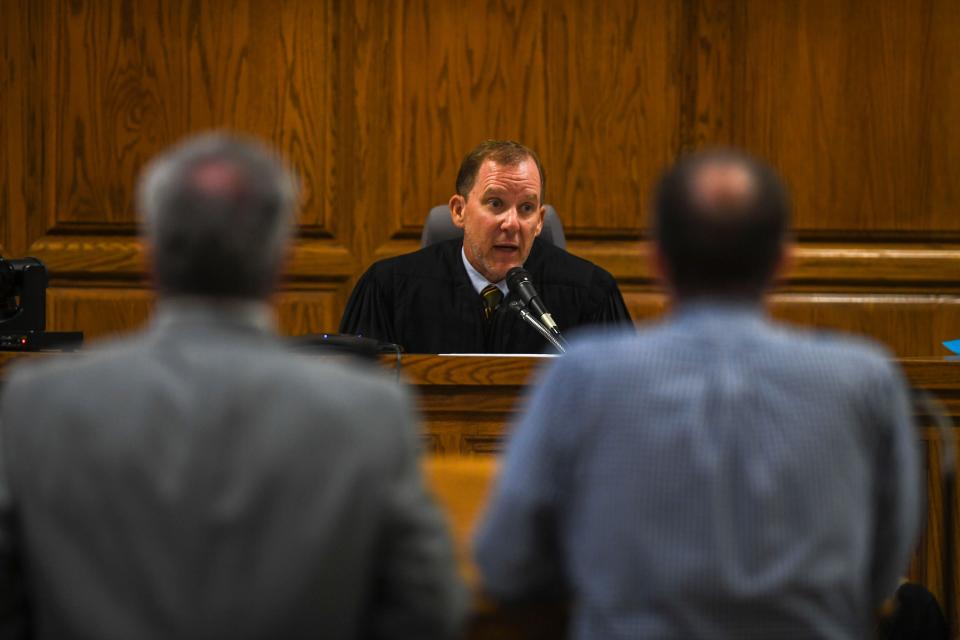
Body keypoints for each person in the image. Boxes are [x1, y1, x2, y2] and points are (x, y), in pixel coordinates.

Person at [0, 134, 465, 639]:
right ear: (280, 262)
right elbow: (427, 611)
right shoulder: (369, 412)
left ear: (148, 259)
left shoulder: (38, 404)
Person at [474, 149, 921, 639]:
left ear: (657, 260)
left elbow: (507, 560)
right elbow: (882, 569)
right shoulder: (865, 380)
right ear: (784, 261)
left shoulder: (583, 376)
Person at [339, 140, 632, 353]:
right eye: (496, 204)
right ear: (458, 211)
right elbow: (354, 404)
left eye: (527, 208)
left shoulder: (589, 294)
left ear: (540, 221)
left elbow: (624, 407)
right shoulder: (389, 290)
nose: (512, 223)